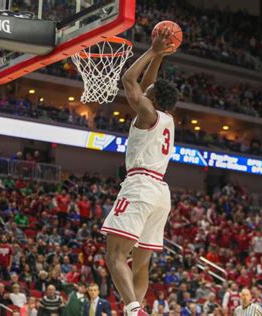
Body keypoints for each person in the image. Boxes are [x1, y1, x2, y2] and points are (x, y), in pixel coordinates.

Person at [100, 28, 178, 316]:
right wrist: (158, 57)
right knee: (141, 263)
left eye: (149, 94)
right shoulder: (166, 118)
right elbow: (148, 83)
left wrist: (151, 51)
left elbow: (129, 80)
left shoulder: (147, 113)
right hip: (161, 193)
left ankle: (133, 310)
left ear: (152, 100)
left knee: (115, 255)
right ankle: (136, 309)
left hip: (141, 186)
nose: (145, 92)